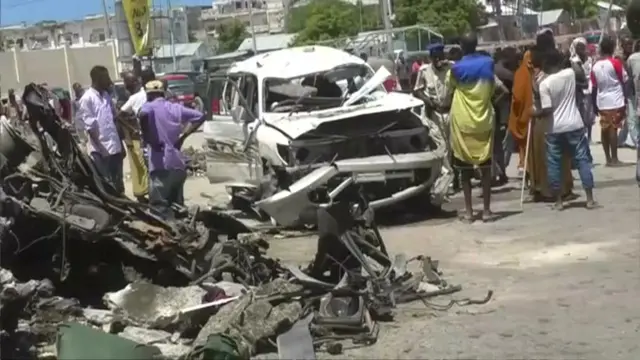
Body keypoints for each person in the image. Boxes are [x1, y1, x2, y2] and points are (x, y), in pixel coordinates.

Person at [444, 33, 508, 223]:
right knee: (486, 168)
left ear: (461, 46)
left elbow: (448, 96)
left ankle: (470, 212)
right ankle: (487, 211)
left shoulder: (455, 69)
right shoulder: (488, 64)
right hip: (484, 122)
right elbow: (504, 91)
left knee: (464, 170)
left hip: (462, 123)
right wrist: (490, 103)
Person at [535, 49, 597, 210]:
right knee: (582, 159)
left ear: (547, 64)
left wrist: (535, 113)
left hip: (554, 128)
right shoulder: (569, 74)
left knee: (554, 164)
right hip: (574, 124)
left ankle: (559, 201)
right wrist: (567, 60)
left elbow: (547, 109)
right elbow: (578, 71)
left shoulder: (544, 84)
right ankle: (589, 198)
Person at [139, 80, 204, 220]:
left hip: (160, 164)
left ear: (148, 94)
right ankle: (183, 234)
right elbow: (200, 116)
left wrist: (149, 139)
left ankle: (168, 236)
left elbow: (143, 115)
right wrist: (183, 136)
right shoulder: (175, 108)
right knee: (177, 207)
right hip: (177, 164)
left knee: (159, 209)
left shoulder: (149, 106)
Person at [526, 30, 574, 202]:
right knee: (560, 155)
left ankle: (543, 187)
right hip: (561, 114)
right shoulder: (564, 70)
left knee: (543, 154)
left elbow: (535, 93)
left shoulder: (534, 66)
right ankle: (564, 186)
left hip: (542, 116)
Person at [413, 43, 454, 197]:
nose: (438, 60)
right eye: (435, 57)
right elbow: (417, 90)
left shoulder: (450, 68)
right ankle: (446, 182)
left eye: (440, 57)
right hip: (434, 115)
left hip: (449, 112)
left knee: (450, 148)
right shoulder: (424, 71)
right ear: (431, 58)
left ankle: (448, 178)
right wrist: (429, 101)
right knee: (441, 147)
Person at [78, 65, 125, 194]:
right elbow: (90, 127)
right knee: (107, 185)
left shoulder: (106, 96)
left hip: (114, 147)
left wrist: (120, 144)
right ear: (98, 79)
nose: (109, 81)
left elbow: (113, 120)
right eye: (106, 78)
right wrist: (102, 149)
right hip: (100, 151)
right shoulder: (87, 99)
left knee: (118, 184)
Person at [591, 35, 628, 166]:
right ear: (612, 48)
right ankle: (615, 159)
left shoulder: (595, 66)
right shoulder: (615, 63)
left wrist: (594, 104)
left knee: (604, 128)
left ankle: (607, 158)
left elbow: (594, 87)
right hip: (616, 100)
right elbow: (623, 81)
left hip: (602, 101)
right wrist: (626, 98)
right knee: (613, 129)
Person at [119, 71, 149, 203]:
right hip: (138, 136)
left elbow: (119, 116)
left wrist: (131, 129)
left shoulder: (136, 97)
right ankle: (142, 193)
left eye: (127, 83)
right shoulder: (142, 94)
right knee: (139, 165)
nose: (126, 87)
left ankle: (144, 193)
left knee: (141, 165)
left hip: (140, 137)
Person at [493, 46, 517, 185]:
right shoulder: (508, 74)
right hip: (504, 113)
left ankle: (498, 172)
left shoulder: (492, 71)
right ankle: (501, 172)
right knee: (503, 146)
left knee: (496, 145)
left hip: (493, 113)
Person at [570, 37, 596, 145]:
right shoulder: (573, 61)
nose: (581, 49)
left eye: (582, 47)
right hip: (579, 91)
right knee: (581, 115)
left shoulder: (590, 60)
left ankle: (589, 137)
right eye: (578, 47)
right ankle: (582, 137)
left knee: (590, 115)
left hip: (589, 89)